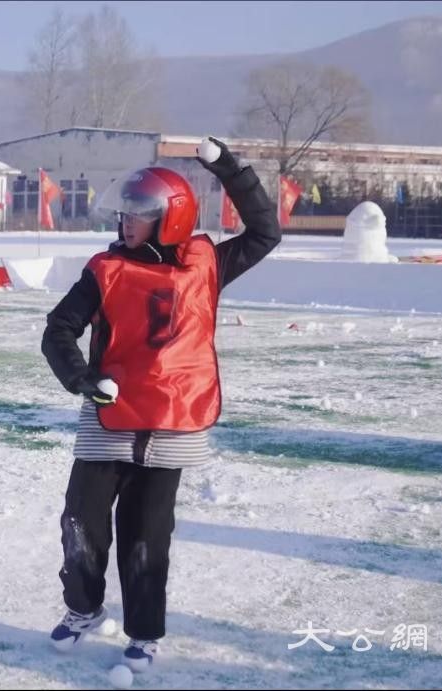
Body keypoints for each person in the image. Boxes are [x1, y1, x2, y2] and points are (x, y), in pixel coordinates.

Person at [40, 137, 280, 672]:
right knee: (81, 524)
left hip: (174, 424)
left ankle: (144, 632)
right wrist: (82, 378)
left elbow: (266, 231)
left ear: (169, 220)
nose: (126, 224)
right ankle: (82, 609)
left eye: (140, 216)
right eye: (124, 214)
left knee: (147, 539)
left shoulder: (209, 264)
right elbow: (58, 330)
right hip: (109, 418)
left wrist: (227, 168)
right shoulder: (103, 269)